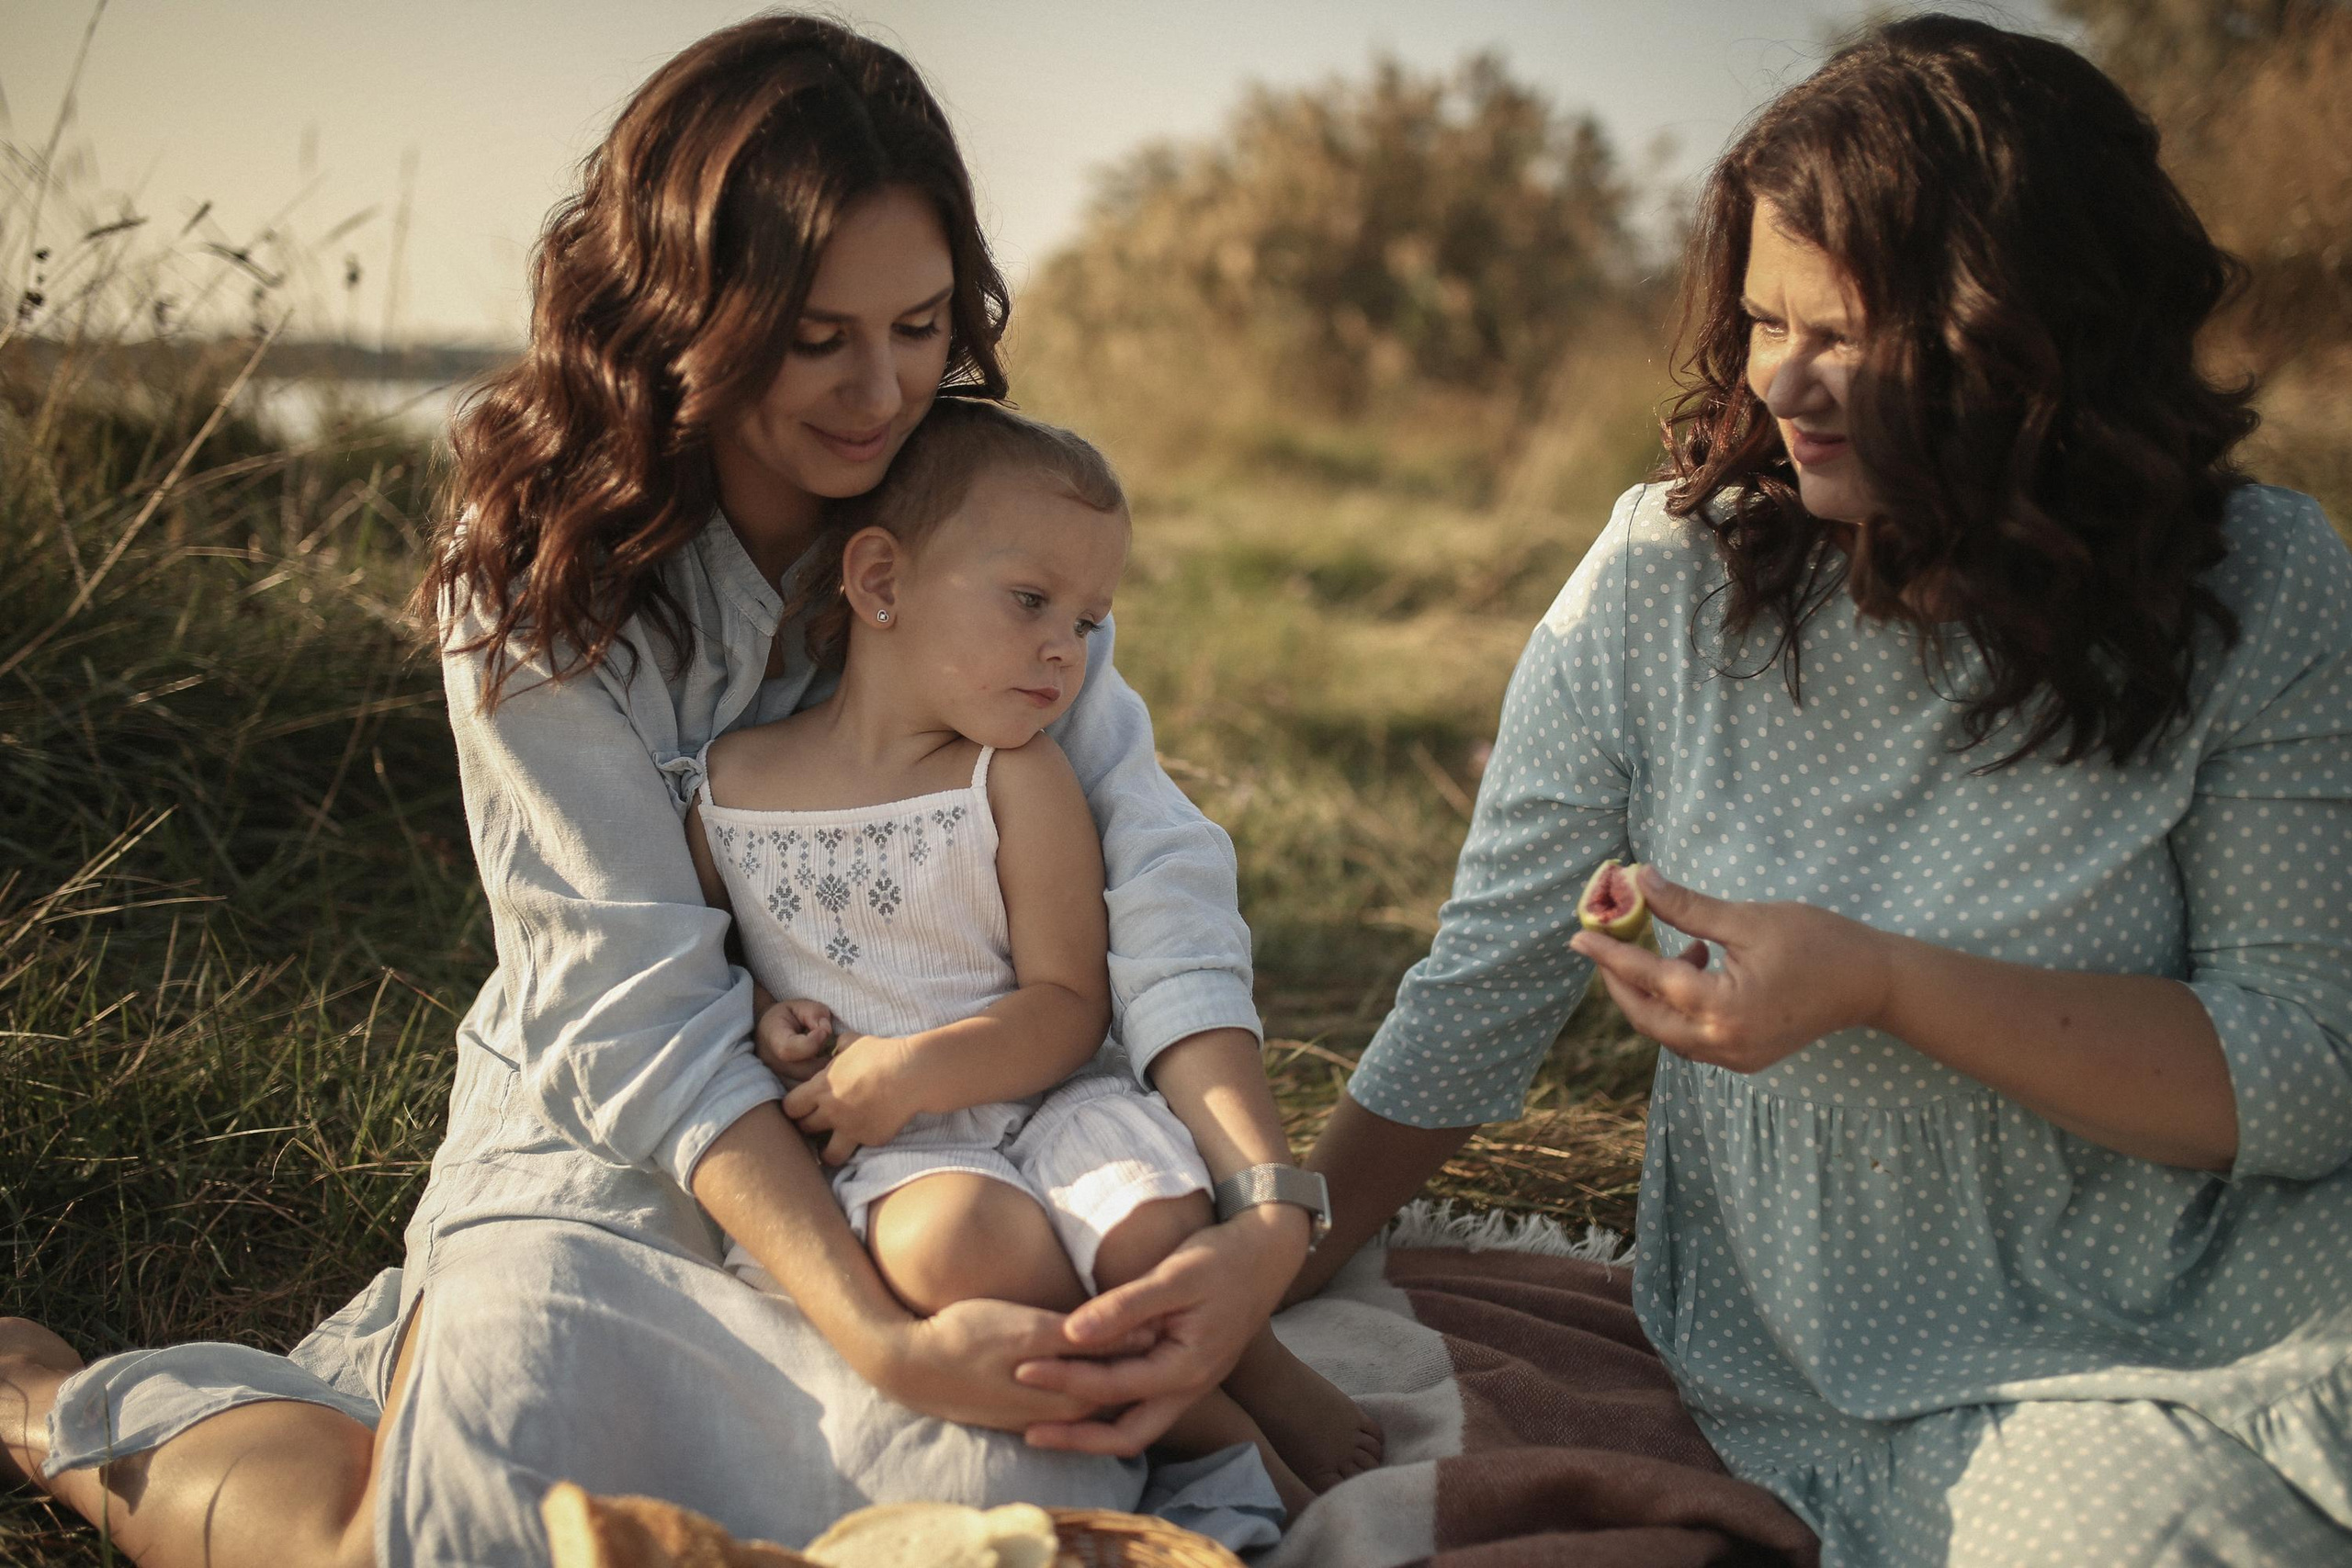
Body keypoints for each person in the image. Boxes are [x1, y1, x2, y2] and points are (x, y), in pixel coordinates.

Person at [0, 17, 1334, 1563]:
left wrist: (1265, 1210)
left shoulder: (973, 513)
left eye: (918, 325)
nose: (882, 389)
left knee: (999, 1516)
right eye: (817, 336)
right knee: (441, 1543)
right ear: (682, 305)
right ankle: (50, 1405)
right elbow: (625, 1000)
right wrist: (878, 1338)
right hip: (626, 1137)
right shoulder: (535, 574)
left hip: (945, 1129)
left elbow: (1150, 866)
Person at [1210, 15, 2346, 1568]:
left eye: (1850, 333)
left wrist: (1881, 983)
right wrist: (1259, 1269)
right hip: (1849, 1345)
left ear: (2035, 338)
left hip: (2239, 1287)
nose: (1786, 383)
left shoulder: (2263, 586)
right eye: (1759, 320)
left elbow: (2307, 1068)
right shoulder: (1661, 587)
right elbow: (1479, 983)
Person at [680, 400, 1380, 1517]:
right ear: (880, 582)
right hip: (897, 1150)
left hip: (1041, 1102)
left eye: (1089, 619)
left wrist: (914, 1070)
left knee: (1155, 1228)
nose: (1068, 646)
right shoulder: (731, 786)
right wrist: (776, 1020)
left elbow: (1065, 1005)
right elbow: (718, 968)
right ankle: (1213, 1423)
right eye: (1030, 602)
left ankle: (1247, 1377)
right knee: (961, 1250)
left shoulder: (1013, 775)